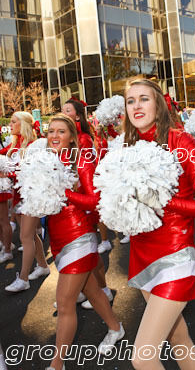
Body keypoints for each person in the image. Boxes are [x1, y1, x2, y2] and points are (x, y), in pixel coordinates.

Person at [123, 79, 195, 370]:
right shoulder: (126, 147)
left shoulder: (182, 141)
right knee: (178, 336)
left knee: (143, 359)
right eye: (130, 101)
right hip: (141, 255)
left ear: (158, 104)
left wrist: (162, 201)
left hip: (176, 254)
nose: (137, 106)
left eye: (144, 99)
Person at [44, 114, 124, 370]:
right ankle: (115, 328)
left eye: (61, 132)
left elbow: (94, 201)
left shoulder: (81, 163)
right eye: (51, 131)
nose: (55, 136)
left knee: (66, 303)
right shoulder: (45, 163)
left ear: (72, 138)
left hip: (78, 235)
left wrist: (66, 192)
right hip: (56, 238)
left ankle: (57, 365)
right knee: (91, 288)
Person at [61, 100, 113, 308]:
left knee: (88, 250)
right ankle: (83, 289)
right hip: (69, 201)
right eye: (61, 110)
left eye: (67, 110)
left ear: (77, 116)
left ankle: (103, 290)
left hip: (81, 197)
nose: (62, 113)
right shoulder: (65, 137)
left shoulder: (82, 138)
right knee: (83, 251)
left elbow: (83, 170)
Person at [3, 113, 49, 289]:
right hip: (17, 195)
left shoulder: (33, 145)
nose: (10, 124)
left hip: (30, 196)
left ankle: (23, 279)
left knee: (25, 237)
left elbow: (32, 172)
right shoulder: (15, 144)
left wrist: (7, 172)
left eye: (14, 121)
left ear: (23, 124)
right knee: (30, 235)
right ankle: (43, 266)